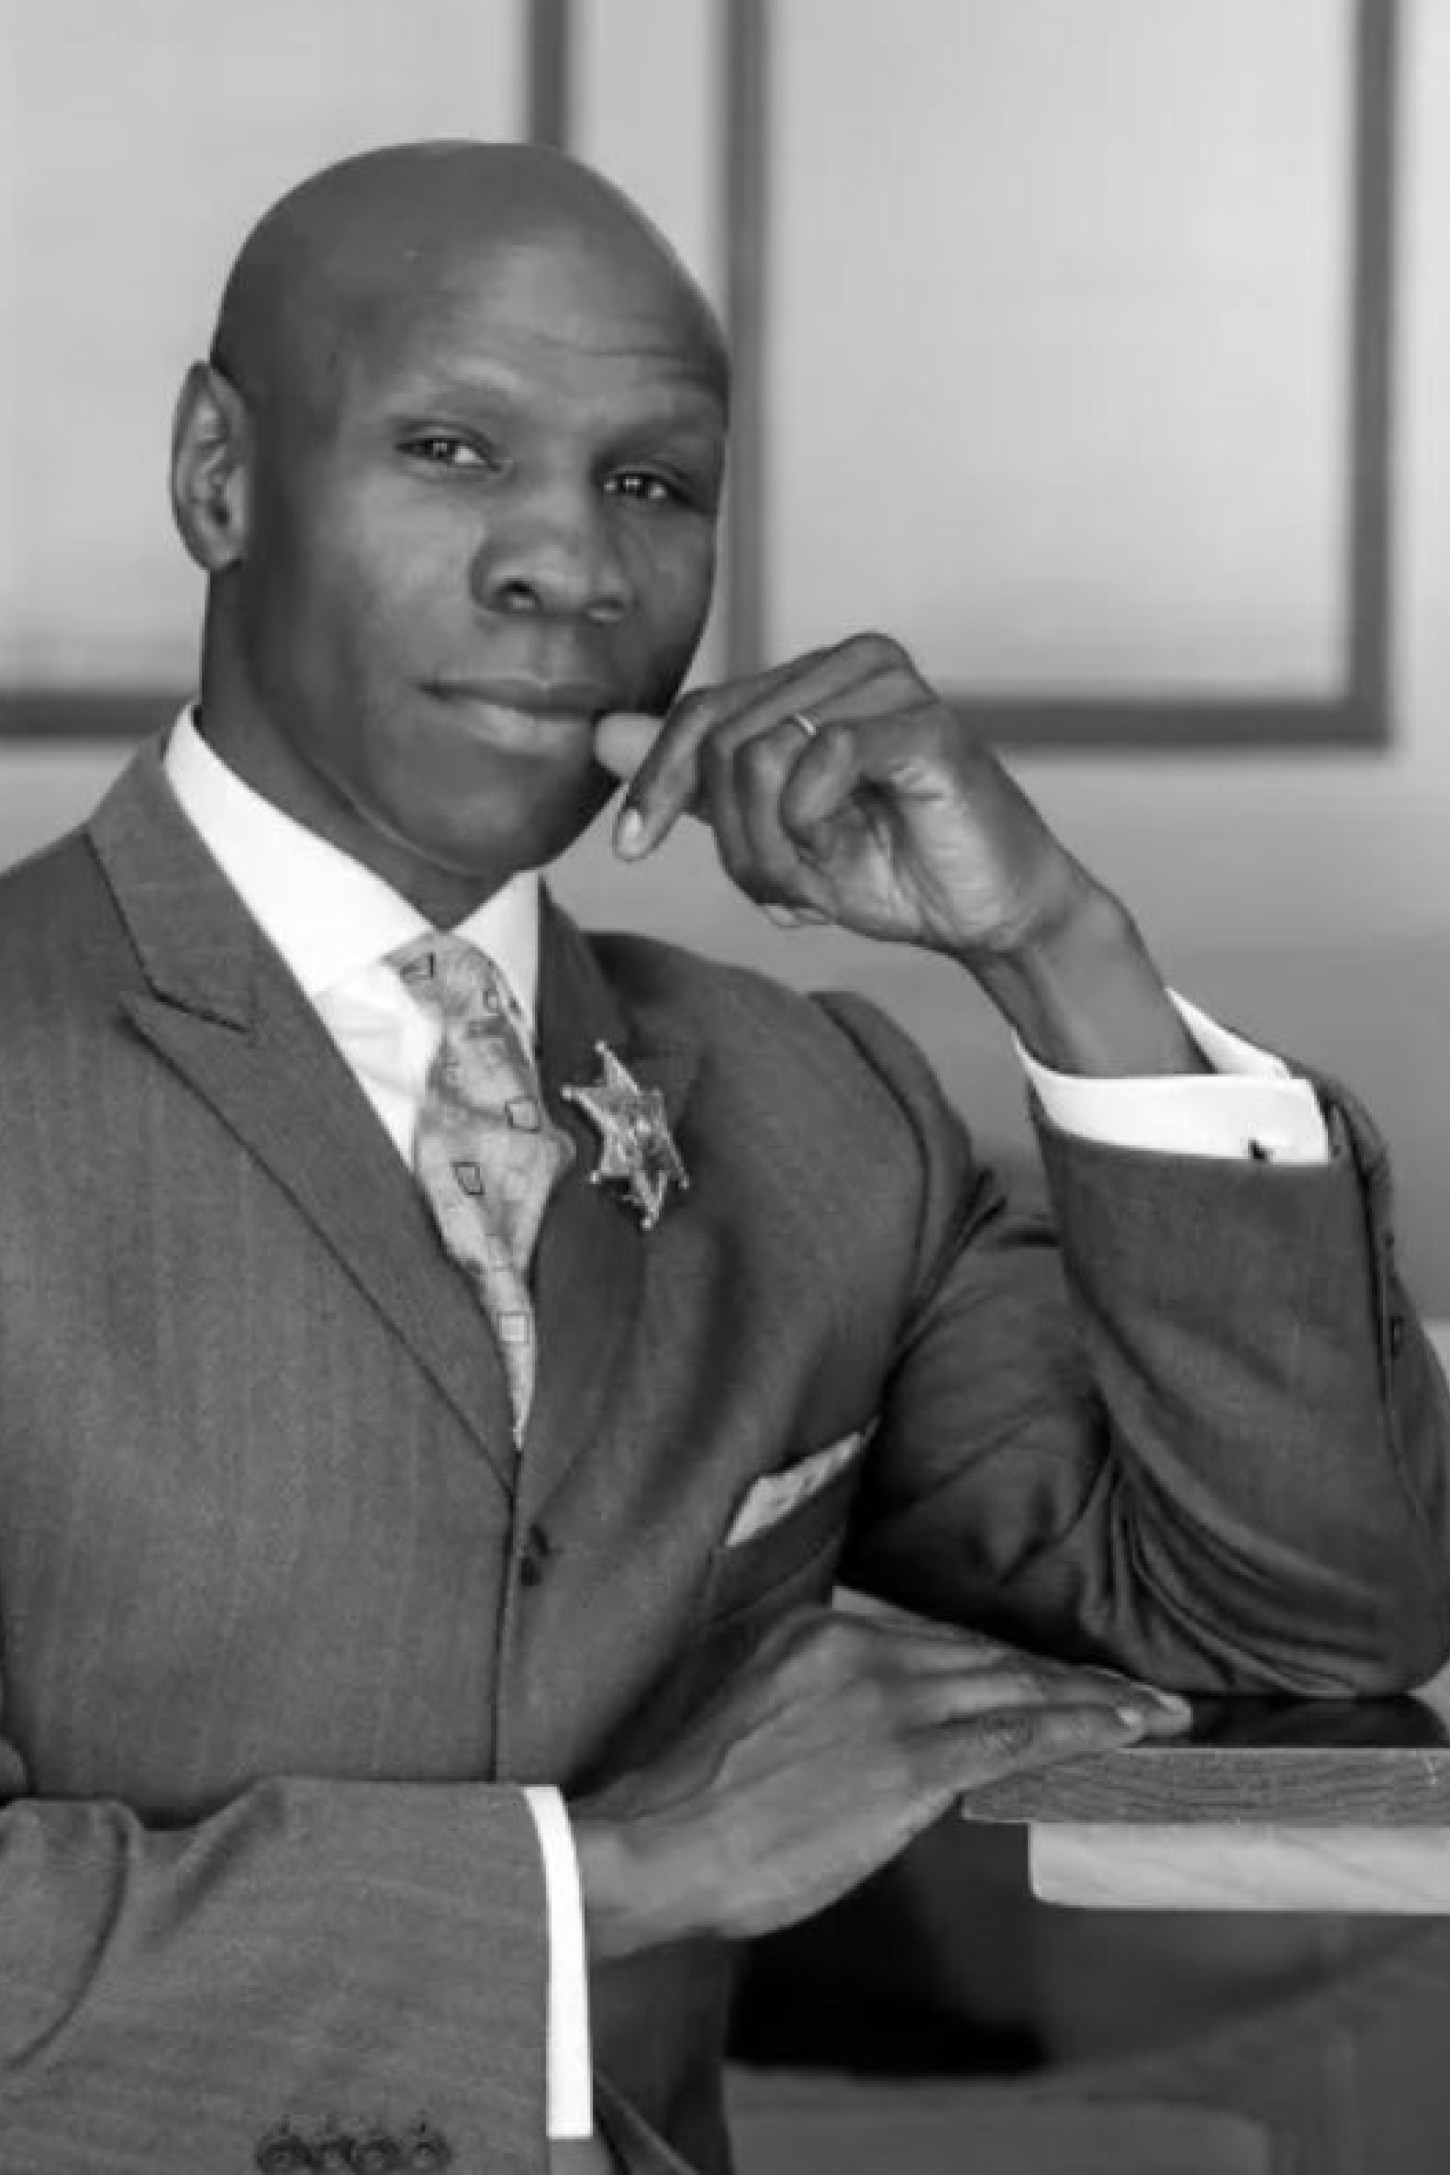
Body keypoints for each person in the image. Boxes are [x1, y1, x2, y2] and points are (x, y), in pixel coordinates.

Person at [0, 139, 1444, 2175]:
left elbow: (1300, 1615)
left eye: (651, 484)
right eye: (446, 446)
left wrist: (1058, 950)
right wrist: (606, 1879)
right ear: (219, 475)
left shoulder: (810, 1104)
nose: (570, 569)